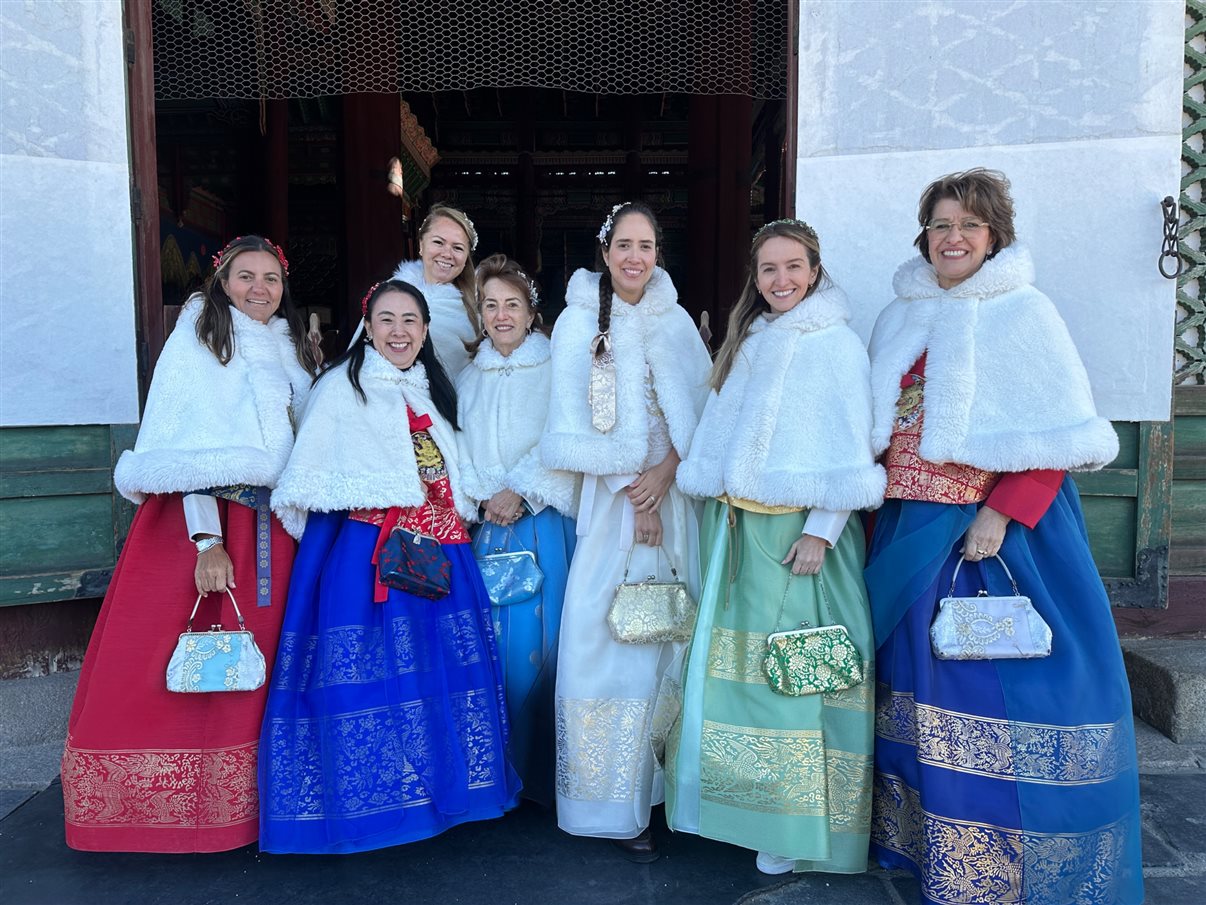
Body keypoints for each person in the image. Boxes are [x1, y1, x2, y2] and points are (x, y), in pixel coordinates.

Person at [865, 169, 1143, 904]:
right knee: (918, 688)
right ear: (923, 234)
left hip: (994, 535)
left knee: (993, 691)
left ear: (995, 237)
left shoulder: (1027, 313)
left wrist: (1003, 512)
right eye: (940, 224)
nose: (952, 237)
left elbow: (1058, 436)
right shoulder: (900, 316)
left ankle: (1000, 870)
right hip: (908, 528)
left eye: (970, 225)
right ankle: (931, 849)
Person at [61, 236, 317, 852]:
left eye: (271, 279)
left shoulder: (290, 349)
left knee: (265, 669)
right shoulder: (198, 341)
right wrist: (207, 542)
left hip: (275, 534)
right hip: (212, 528)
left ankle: (262, 806)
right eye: (246, 277)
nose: (260, 289)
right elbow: (185, 453)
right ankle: (184, 812)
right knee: (202, 662)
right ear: (222, 281)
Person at [260, 279, 521, 854]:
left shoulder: (434, 392)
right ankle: (377, 804)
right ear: (368, 327)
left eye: (410, 321)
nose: (399, 331)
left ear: (426, 331)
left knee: (442, 672)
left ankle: (445, 796)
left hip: (443, 549)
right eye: (387, 320)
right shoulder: (340, 391)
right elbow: (312, 479)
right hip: (370, 553)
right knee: (368, 676)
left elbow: (455, 473)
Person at [667, 219, 884, 875]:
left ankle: (795, 827)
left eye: (793, 266)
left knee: (792, 677)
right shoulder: (749, 340)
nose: (781, 279)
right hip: (736, 529)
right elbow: (717, 432)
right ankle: (744, 808)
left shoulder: (837, 345)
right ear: (754, 278)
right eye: (768, 269)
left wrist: (823, 526)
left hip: (798, 536)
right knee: (734, 681)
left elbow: (852, 447)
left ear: (814, 270)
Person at [540, 201, 711, 860]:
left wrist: (668, 470)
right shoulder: (577, 322)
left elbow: (698, 411)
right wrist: (630, 491)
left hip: (673, 505)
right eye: (624, 246)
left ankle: (665, 790)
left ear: (657, 252)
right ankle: (612, 804)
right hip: (616, 509)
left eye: (646, 246)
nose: (635, 257)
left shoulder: (675, 324)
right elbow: (572, 421)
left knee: (672, 638)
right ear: (604, 251)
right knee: (610, 643)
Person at [455, 254, 578, 806]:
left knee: (543, 646)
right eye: (490, 305)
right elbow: (454, 445)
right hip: (484, 528)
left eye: (512, 305)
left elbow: (567, 436)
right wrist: (481, 492)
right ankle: (496, 774)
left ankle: (547, 779)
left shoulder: (558, 365)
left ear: (532, 313)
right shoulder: (466, 376)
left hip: (541, 524)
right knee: (489, 648)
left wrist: (522, 490)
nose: (501, 315)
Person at [391, 203, 480, 378]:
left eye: (458, 248)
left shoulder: (478, 306)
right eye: (438, 242)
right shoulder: (389, 293)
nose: (447, 254)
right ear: (421, 245)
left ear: (466, 257)